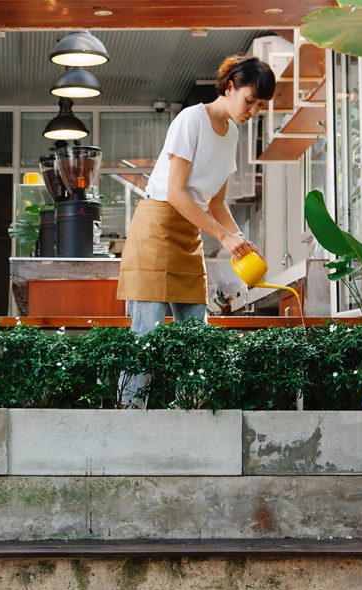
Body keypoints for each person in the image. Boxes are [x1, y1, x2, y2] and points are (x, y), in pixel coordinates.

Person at [116, 55, 275, 405]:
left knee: (195, 343)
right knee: (146, 340)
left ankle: (190, 421)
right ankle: (125, 421)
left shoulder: (231, 133)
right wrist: (222, 235)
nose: (253, 111)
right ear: (229, 87)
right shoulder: (191, 120)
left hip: (190, 234)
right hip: (156, 227)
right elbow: (176, 193)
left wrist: (241, 239)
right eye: (250, 100)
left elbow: (216, 203)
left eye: (260, 106)